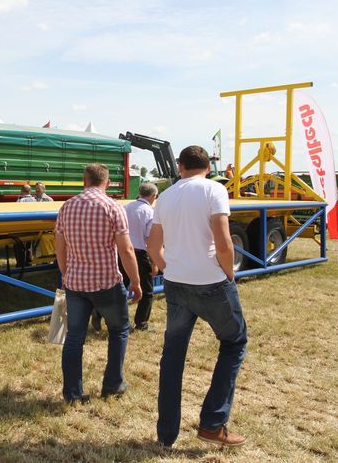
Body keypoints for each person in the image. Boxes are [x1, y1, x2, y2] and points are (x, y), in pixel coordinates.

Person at [148, 145, 247, 448]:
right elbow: (224, 241)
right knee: (234, 342)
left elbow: (152, 246)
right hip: (211, 283)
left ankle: (166, 435)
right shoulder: (214, 190)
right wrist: (229, 274)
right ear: (208, 166)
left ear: (179, 166)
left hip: (176, 285)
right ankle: (212, 424)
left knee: (173, 358)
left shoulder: (165, 196)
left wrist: (169, 267)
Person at [54, 163, 142, 404]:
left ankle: (72, 393)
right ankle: (113, 384)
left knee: (74, 339)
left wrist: (66, 272)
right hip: (106, 283)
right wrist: (135, 281)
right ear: (108, 183)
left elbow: (59, 246)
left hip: (75, 284)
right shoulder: (112, 207)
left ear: (84, 180)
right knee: (119, 329)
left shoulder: (67, 207)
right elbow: (126, 249)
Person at [123, 182, 159, 330]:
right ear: (153, 196)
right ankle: (141, 322)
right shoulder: (150, 212)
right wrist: (155, 262)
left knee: (119, 287)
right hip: (140, 254)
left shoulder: (125, 207)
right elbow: (151, 240)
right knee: (147, 290)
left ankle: (101, 314)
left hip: (123, 252)